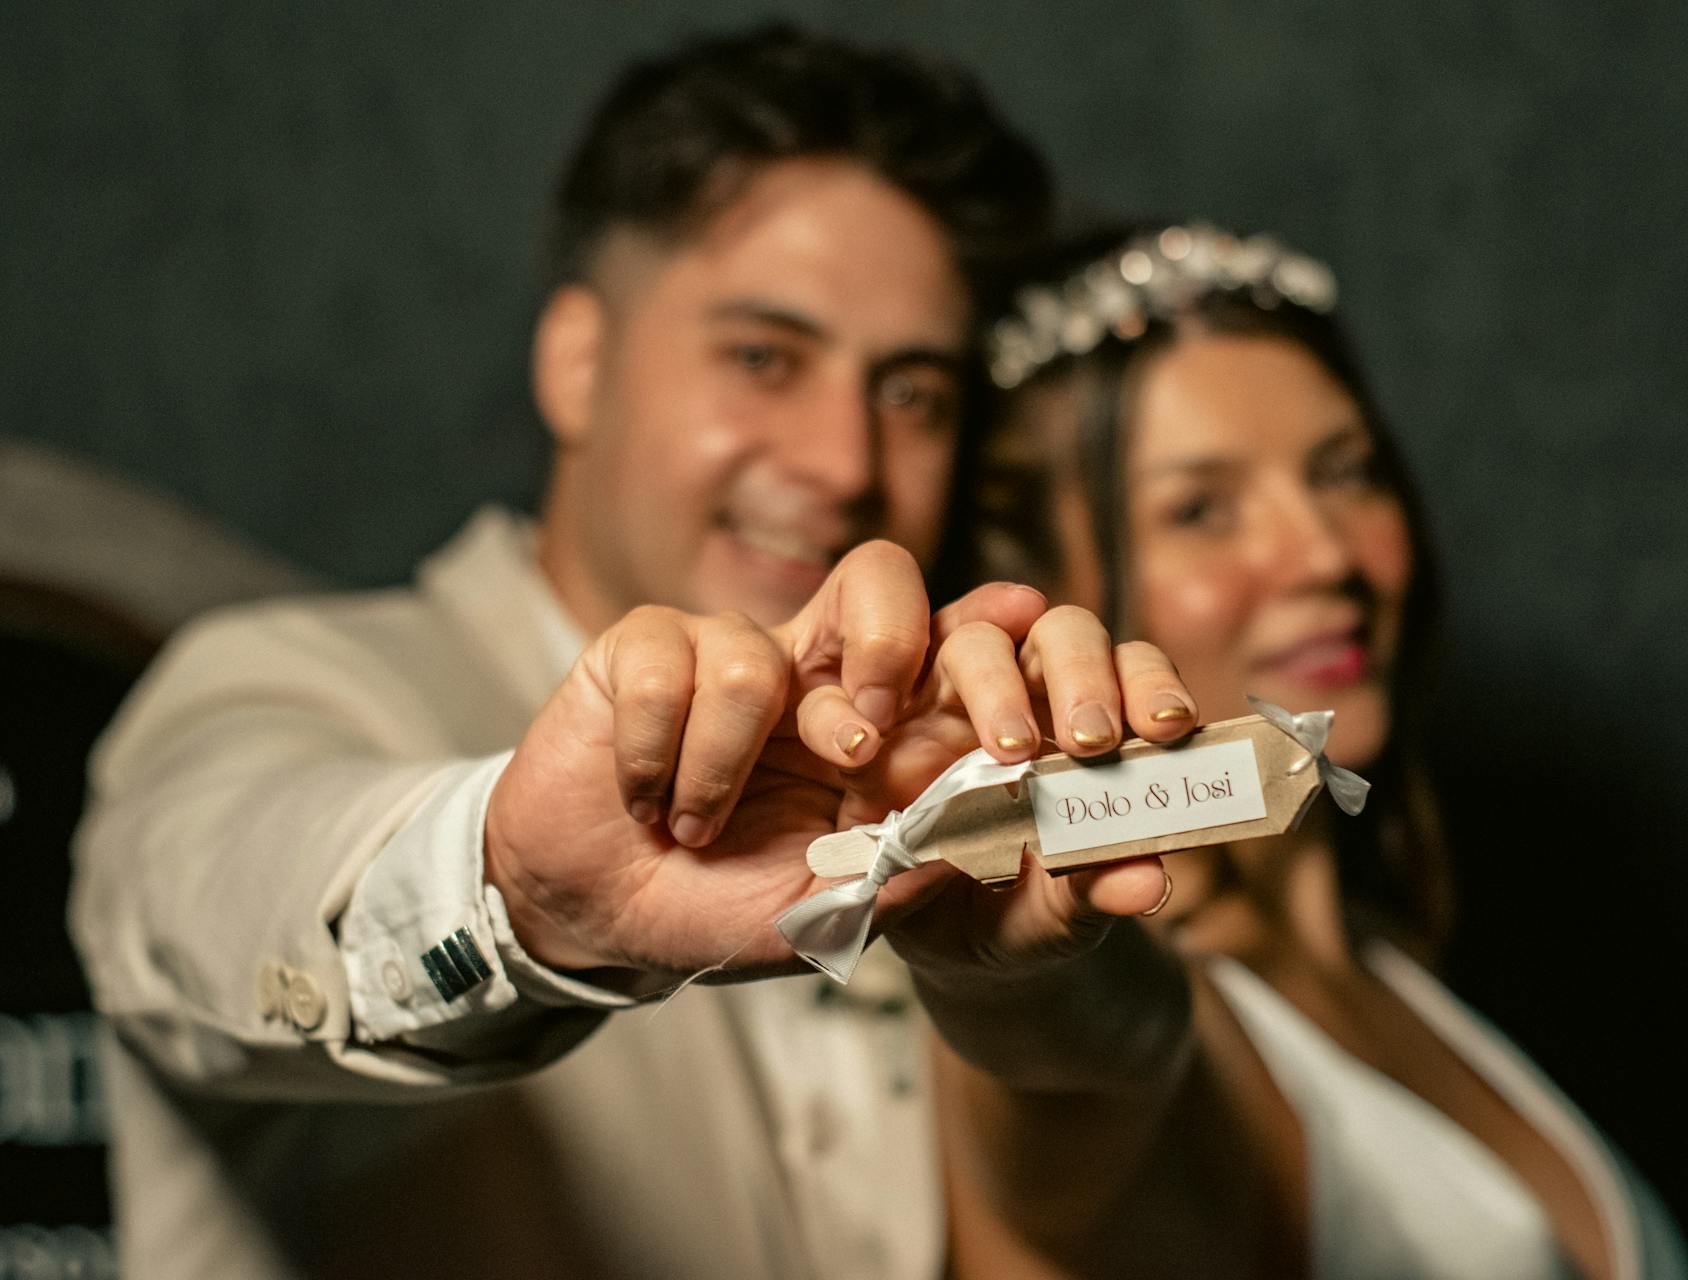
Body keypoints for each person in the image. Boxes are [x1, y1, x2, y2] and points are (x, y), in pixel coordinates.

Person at [68, 30, 1209, 1280]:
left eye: (911, 393)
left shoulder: (927, 768)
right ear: (578, 361)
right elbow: (190, 904)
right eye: (763, 356)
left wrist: (1012, 981)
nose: (842, 460)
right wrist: (513, 888)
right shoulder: (292, 676)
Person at [952, 224, 1688, 1279]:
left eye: (1345, 471)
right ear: (1045, 592)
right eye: (1202, 508)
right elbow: (1059, 1065)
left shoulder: (1389, 963)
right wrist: (1001, 960)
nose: (1326, 554)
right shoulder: (1139, 1038)